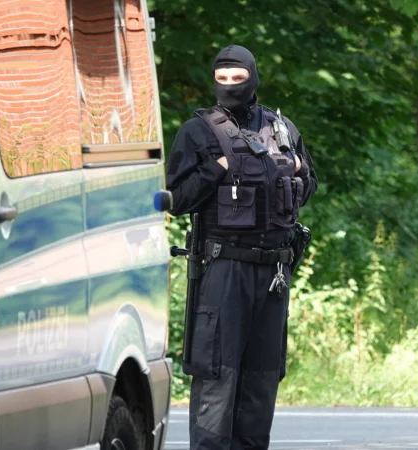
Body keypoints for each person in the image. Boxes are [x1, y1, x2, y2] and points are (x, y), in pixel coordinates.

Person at [165, 44, 317, 450]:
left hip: (274, 273)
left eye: (238, 77)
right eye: (222, 78)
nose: (230, 85)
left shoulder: (281, 130)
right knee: (218, 374)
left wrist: (296, 167)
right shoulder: (197, 131)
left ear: (252, 76)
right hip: (223, 268)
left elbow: (310, 186)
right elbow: (177, 200)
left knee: (262, 377)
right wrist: (217, 169)